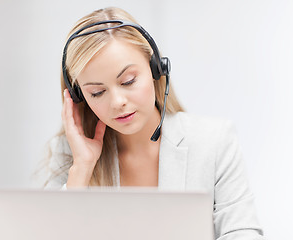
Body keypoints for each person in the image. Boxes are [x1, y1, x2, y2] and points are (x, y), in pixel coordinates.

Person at [43, 6, 265, 240]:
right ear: (79, 98)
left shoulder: (214, 141)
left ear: (156, 69)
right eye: (97, 92)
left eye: (128, 81)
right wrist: (81, 170)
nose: (118, 102)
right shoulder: (69, 154)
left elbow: (243, 233)